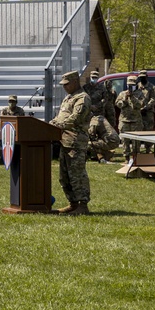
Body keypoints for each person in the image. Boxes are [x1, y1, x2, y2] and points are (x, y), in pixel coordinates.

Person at [49, 71, 92, 215]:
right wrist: (51, 124)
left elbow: (76, 118)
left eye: (67, 84)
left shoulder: (82, 98)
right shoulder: (68, 98)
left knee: (77, 174)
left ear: (75, 82)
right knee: (65, 176)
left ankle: (82, 205)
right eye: (63, 85)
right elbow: (61, 116)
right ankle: (73, 203)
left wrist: (57, 126)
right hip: (64, 141)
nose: (64, 87)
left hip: (76, 142)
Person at [116, 75, 144, 161]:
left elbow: (140, 105)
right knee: (125, 141)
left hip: (136, 121)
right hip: (124, 121)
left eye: (132, 85)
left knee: (136, 142)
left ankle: (136, 159)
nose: (130, 87)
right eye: (129, 85)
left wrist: (132, 97)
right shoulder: (122, 94)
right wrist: (125, 98)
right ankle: (127, 159)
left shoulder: (140, 94)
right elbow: (118, 104)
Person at [136, 70, 155, 152]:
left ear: (147, 77)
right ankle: (137, 150)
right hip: (138, 112)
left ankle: (148, 149)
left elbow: (153, 99)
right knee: (138, 131)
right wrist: (138, 108)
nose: (142, 79)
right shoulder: (137, 86)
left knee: (148, 131)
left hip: (148, 112)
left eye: (144, 77)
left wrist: (146, 107)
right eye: (141, 77)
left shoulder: (152, 87)